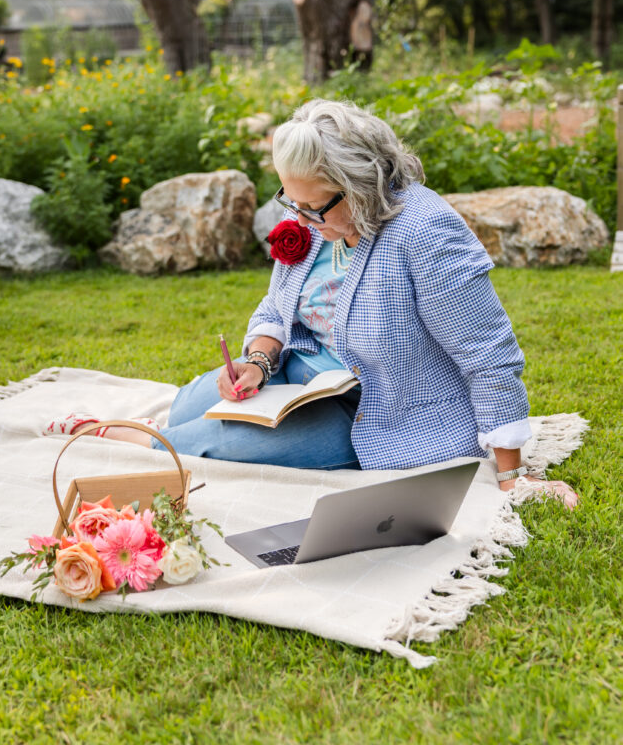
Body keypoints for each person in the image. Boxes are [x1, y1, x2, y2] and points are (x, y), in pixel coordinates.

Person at [46, 98, 578, 507]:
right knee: (188, 406)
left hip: (376, 407)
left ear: (360, 185)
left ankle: (120, 437)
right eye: (290, 201)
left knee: (199, 441)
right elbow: (276, 307)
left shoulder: (425, 231)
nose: (297, 219)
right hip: (298, 378)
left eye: (312, 206)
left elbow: (487, 352)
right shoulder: (311, 218)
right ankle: (170, 430)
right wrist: (258, 362)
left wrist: (512, 474)